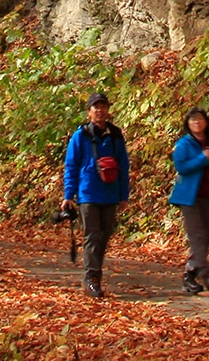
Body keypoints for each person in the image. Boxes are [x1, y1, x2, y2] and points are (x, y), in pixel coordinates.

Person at [63, 91, 130, 298]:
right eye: (95, 107)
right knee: (92, 235)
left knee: (104, 236)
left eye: (103, 106)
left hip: (110, 194)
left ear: (108, 110)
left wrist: (124, 195)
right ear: (89, 112)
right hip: (88, 193)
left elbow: (123, 166)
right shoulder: (80, 135)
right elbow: (71, 166)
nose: (100, 110)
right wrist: (68, 195)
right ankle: (92, 278)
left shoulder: (116, 135)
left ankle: (93, 276)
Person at [168, 107, 209, 295]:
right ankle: (206, 275)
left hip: (208, 195)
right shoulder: (184, 144)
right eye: (193, 119)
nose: (197, 122)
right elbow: (182, 166)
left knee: (204, 237)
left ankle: (189, 275)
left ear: (206, 122)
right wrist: (203, 158)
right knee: (197, 236)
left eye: (200, 119)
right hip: (189, 197)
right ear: (188, 123)